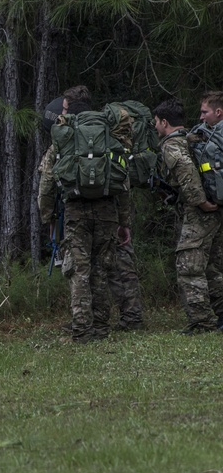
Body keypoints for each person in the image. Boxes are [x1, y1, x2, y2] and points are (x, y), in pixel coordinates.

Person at [38, 92, 144, 331]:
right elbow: (123, 182)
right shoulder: (110, 135)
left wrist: (48, 216)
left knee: (79, 269)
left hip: (76, 211)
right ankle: (100, 324)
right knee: (100, 269)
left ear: (72, 112)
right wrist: (124, 221)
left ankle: (82, 326)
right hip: (107, 210)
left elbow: (46, 181)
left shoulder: (65, 137)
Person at [157, 96, 223, 332]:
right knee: (213, 266)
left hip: (201, 211)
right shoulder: (196, 137)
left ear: (164, 122)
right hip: (215, 209)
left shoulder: (173, 144)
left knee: (189, 265)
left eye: (156, 122)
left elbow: (186, 171)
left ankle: (201, 321)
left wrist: (200, 202)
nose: (155, 127)